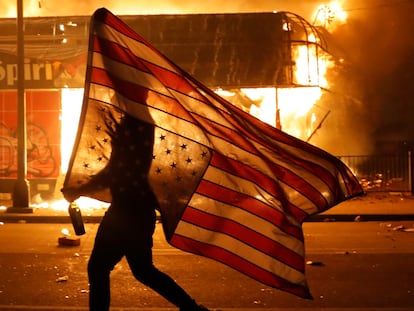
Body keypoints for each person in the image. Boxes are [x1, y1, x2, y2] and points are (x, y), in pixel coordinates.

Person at [62, 113, 210, 311]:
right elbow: (118, 170)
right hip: (136, 210)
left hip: (126, 212)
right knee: (143, 271)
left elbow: (117, 171)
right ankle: (193, 310)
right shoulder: (138, 120)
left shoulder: (136, 122)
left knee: (99, 269)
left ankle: (193, 309)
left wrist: (79, 190)